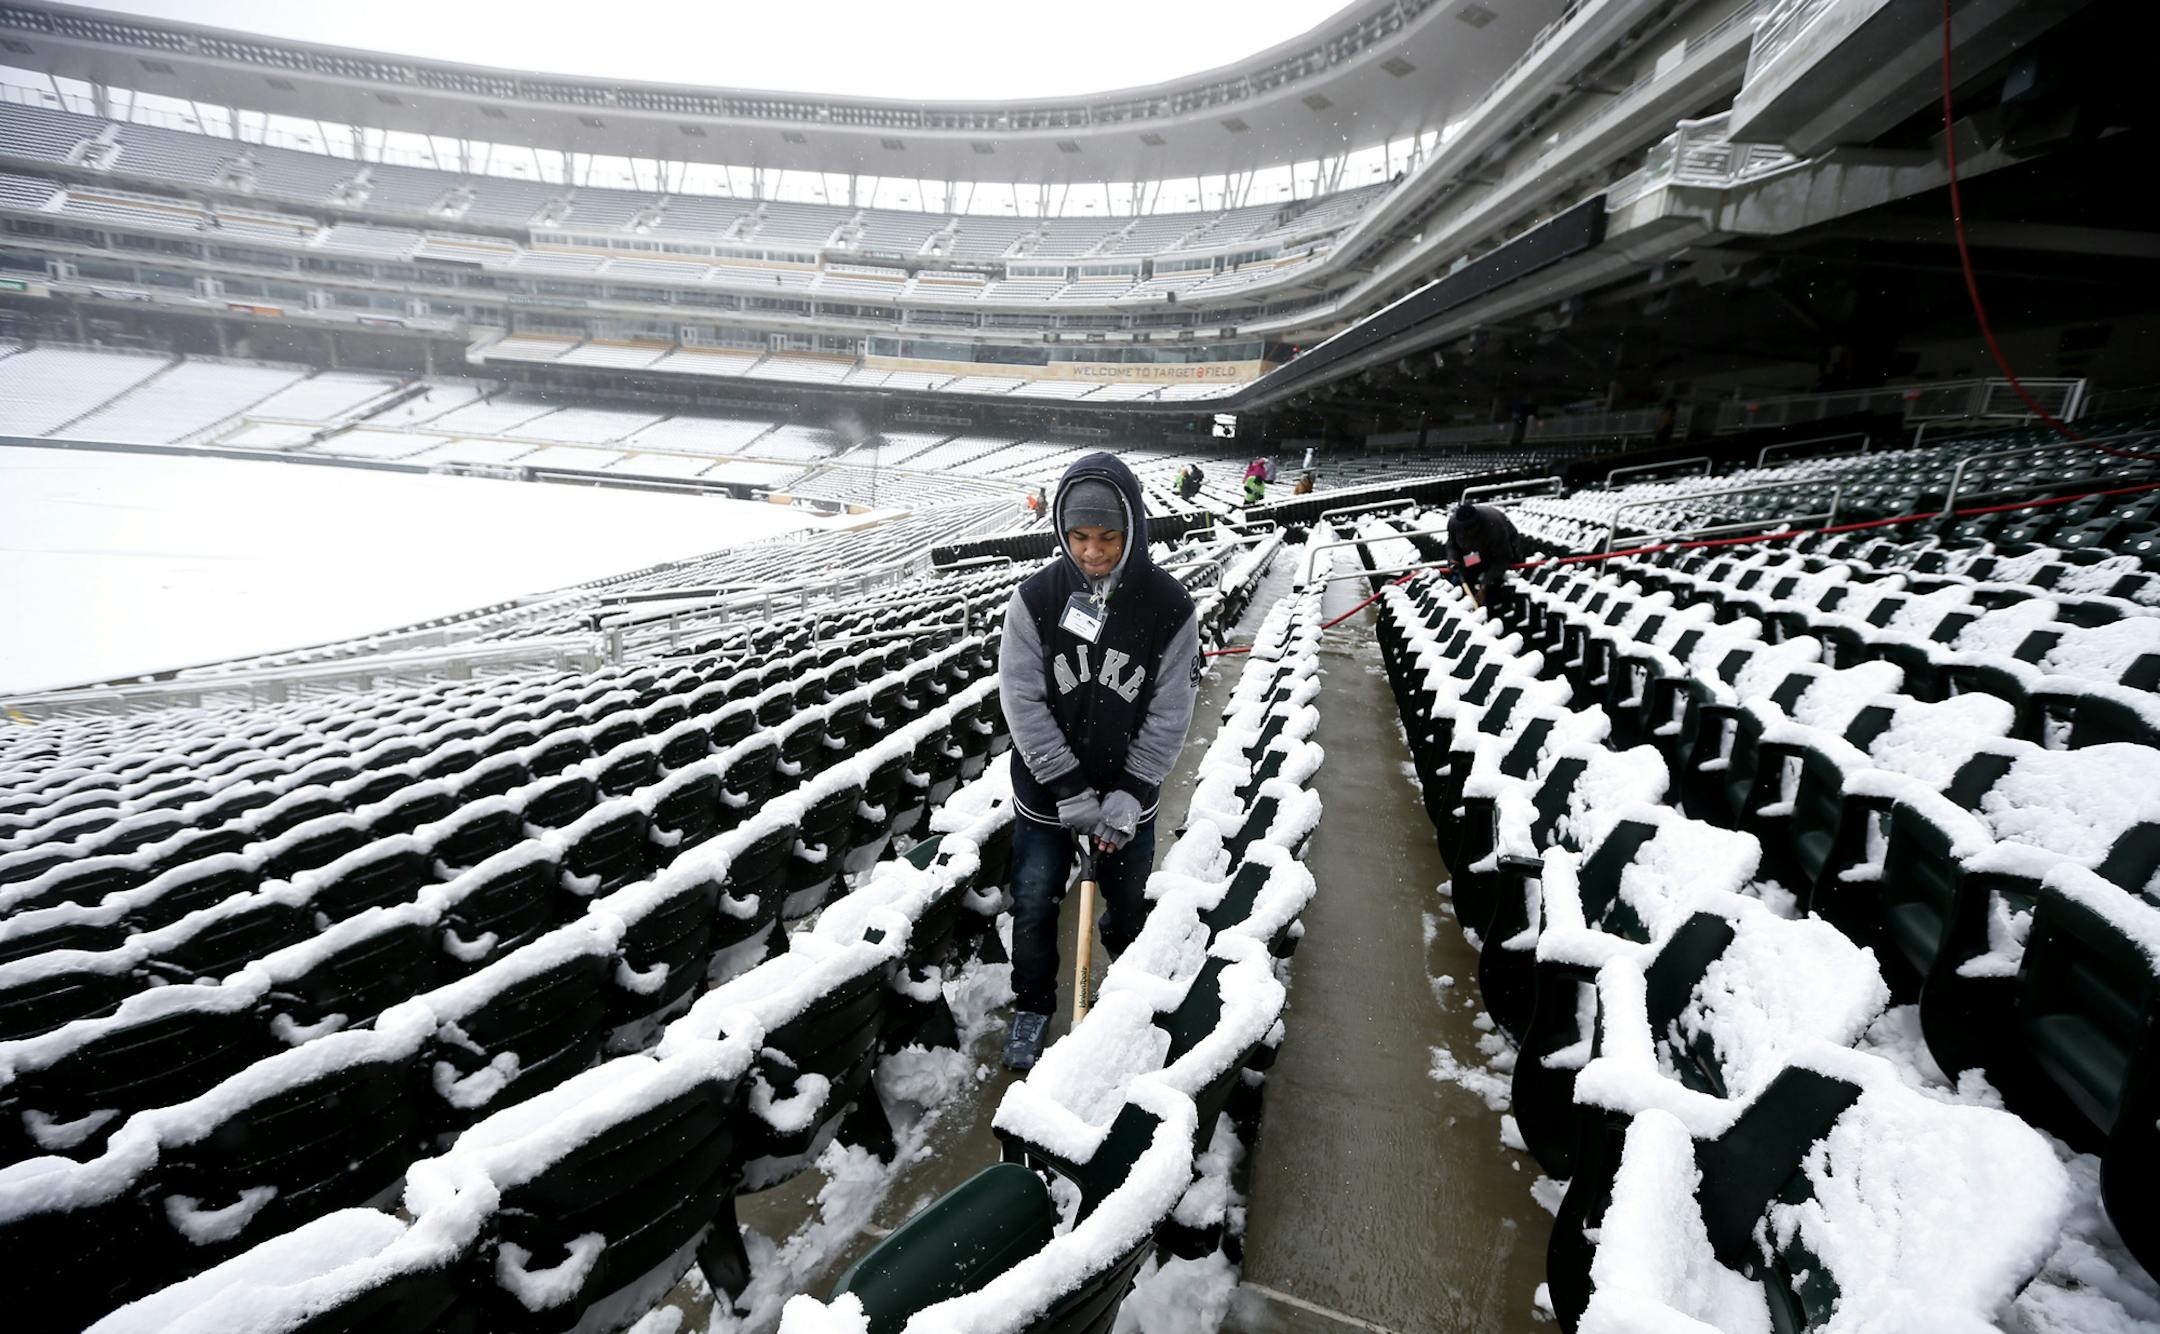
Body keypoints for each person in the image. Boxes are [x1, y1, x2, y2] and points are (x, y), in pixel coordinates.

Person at [998, 453, 1202, 1071]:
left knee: (1129, 906)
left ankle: (1124, 1004)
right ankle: (1032, 1005)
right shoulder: (1034, 601)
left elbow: (1170, 712)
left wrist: (1130, 790)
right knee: (1033, 903)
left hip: (1123, 803)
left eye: (1108, 536)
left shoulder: (1170, 607)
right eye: (1079, 537)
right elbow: (1022, 702)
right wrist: (1067, 788)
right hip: (1044, 799)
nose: (1092, 552)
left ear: (1133, 529)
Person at [1447, 500, 1522, 613]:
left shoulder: (1494, 526)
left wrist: (1485, 585)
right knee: (1464, 569)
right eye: (1465, 530)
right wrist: (1453, 559)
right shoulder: (1454, 523)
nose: (1468, 532)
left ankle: (1492, 613)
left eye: (1471, 529)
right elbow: (1452, 545)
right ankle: (1468, 606)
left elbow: (1502, 559)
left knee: (1492, 586)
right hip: (1478, 554)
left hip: (1504, 551)